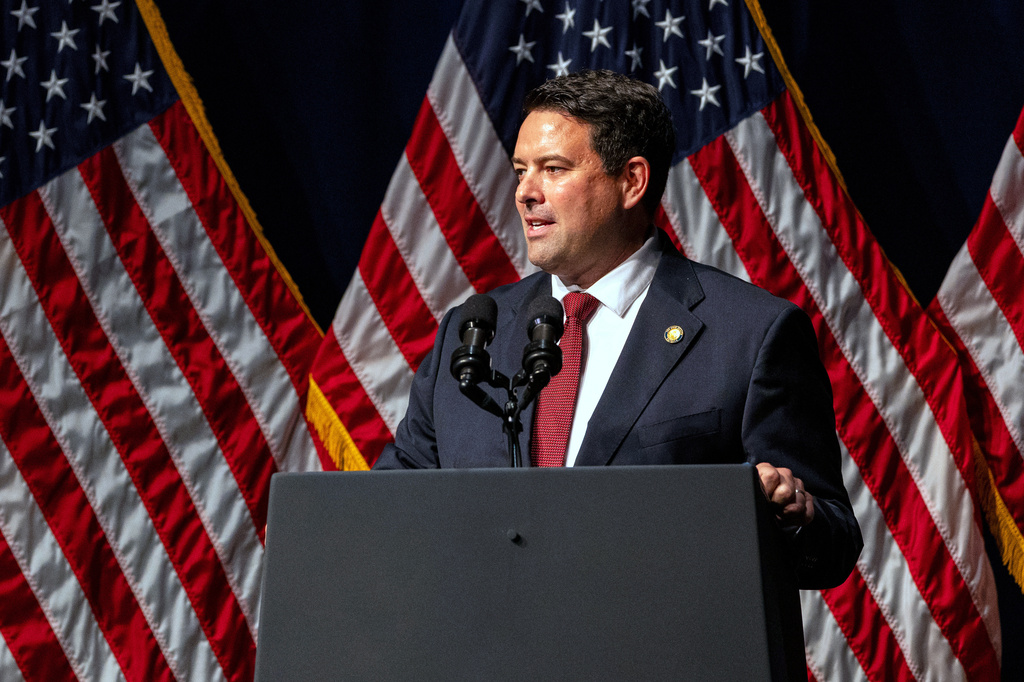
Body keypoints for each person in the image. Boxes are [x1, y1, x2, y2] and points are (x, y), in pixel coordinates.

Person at [374, 70, 862, 589]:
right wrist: (332, 534)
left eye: (553, 169)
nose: (525, 193)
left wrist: (791, 515)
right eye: (521, 171)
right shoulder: (472, 334)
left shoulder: (750, 335)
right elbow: (397, 502)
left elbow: (831, 544)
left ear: (632, 181)